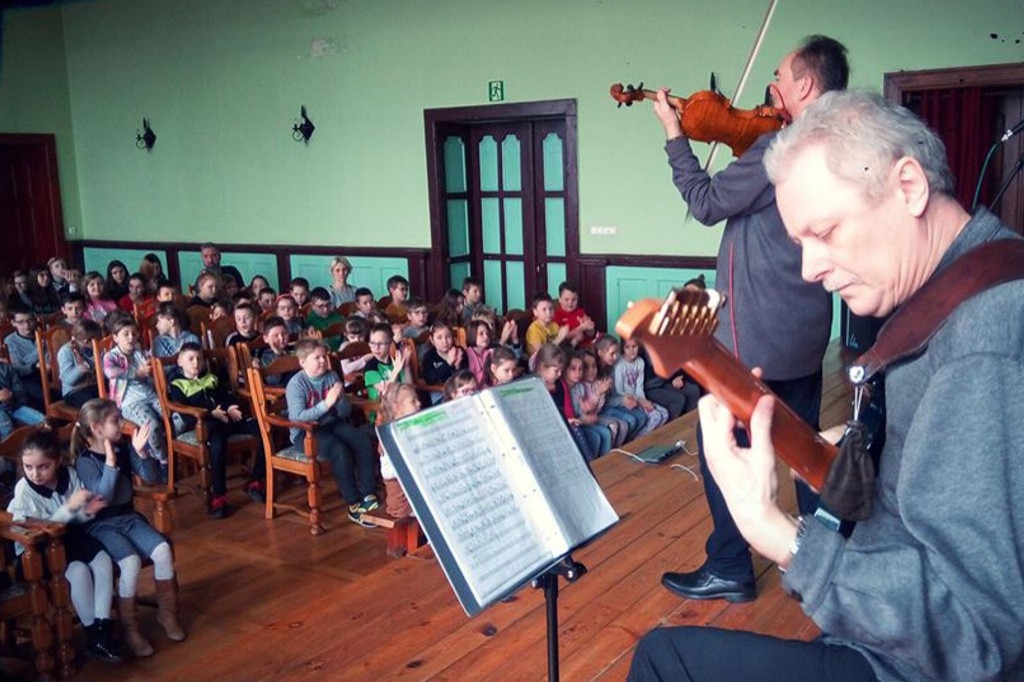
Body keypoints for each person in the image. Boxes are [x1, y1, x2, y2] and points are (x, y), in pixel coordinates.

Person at [630, 89, 1024, 682]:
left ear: (909, 187)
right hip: (888, 626)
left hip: (915, 665)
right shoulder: (972, 271)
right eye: (800, 244)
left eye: (826, 231)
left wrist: (779, 534)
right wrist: (857, 456)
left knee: (663, 658)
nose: (810, 269)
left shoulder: (984, 344)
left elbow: (977, 637)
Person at [653, 34, 849, 604]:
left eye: (782, 78)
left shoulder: (778, 149)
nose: (772, 89)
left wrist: (673, 134)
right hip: (806, 332)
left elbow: (706, 202)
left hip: (755, 336)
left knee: (719, 438)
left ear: (807, 85)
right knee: (805, 449)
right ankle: (824, 565)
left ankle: (730, 566)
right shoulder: (837, 143)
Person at [73, 399, 185, 657]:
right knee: (131, 562)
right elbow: (103, 498)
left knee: (163, 550)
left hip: (129, 518)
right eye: (115, 421)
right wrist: (111, 463)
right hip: (102, 526)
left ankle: (167, 614)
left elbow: (150, 477)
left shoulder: (123, 448)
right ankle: (130, 627)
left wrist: (141, 453)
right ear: (97, 428)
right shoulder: (86, 461)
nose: (121, 424)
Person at [7, 429, 123, 663]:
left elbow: (84, 510)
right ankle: (93, 632)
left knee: (102, 559)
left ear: (57, 461)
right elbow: (27, 530)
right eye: (29, 467)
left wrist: (86, 508)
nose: (35, 474)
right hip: (38, 551)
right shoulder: (24, 490)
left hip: (69, 538)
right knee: (78, 571)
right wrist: (70, 510)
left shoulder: (69, 476)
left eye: (43, 467)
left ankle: (102, 628)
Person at [286, 339, 378, 527]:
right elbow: (297, 417)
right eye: (317, 358)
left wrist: (341, 399)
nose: (322, 361)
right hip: (306, 433)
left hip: (331, 423)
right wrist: (327, 403)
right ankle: (353, 503)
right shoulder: (296, 384)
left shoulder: (331, 376)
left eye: (324, 356)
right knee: (339, 450)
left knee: (361, 440)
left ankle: (368, 493)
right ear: (303, 362)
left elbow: (344, 412)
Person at [167, 343, 265, 518]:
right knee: (217, 446)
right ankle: (219, 497)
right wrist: (212, 414)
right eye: (190, 359)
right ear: (180, 361)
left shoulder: (211, 378)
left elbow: (225, 396)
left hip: (227, 420)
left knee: (264, 429)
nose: (195, 363)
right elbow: (187, 416)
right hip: (207, 426)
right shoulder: (177, 385)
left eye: (199, 359)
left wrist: (230, 407)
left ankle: (255, 480)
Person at [102, 316, 168, 471]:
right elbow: (110, 371)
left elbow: (153, 370)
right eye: (126, 334)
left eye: (134, 334)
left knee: (175, 418)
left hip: (151, 395)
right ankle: (164, 460)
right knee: (152, 426)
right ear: (115, 337)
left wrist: (152, 367)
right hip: (130, 402)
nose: (131, 338)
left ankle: (157, 448)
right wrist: (136, 373)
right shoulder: (111, 356)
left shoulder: (140, 353)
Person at [614, 337, 670, 436]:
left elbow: (639, 387)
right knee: (656, 416)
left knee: (664, 413)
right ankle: (639, 440)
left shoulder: (640, 362)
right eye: (627, 347)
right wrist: (641, 401)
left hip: (639, 398)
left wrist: (645, 401)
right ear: (623, 348)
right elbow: (620, 390)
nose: (631, 351)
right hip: (628, 400)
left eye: (634, 346)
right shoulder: (620, 365)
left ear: (639, 346)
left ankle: (652, 437)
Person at [57, 319, 103, 408]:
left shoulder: (91, 349)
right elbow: (67, 380)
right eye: (98, 340)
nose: (100, 342)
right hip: (75, 392)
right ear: (86, 341)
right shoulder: (66, 351)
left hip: (92, 386)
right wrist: (80, 368)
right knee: (95, 407)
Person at [553, 281, 596, 347]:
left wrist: (590, 327)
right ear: (560, 299)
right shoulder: (556, 315)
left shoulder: (580, 312)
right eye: (566, 300)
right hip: (572, 348)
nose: (570, 303)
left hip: (588, 344)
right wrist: (580, 328)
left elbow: (591, 334)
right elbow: (561, 339)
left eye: (574, 299)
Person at [525, 292, 568, 357]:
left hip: (554, 355)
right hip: (538, 361)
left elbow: (560, 345)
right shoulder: (534, 329)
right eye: (544, 310)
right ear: (535, 312)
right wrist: (559, 338)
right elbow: (542, 353)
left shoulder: (554, 325)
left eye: (550, 309)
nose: (548, 313)